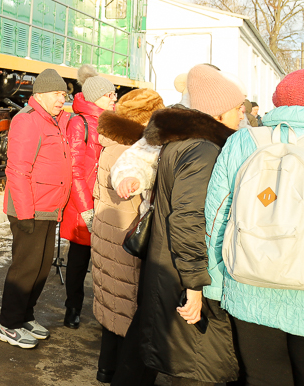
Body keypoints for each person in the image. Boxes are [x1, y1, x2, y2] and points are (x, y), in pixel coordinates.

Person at [119, 64, 243, 386]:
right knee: (193, 363)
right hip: (179, 270)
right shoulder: (203, 150)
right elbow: (188, 219)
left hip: (166, 264)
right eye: (237, 108)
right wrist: (195, 284)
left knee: (150, 341)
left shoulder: (184, 143)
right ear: (218, 112)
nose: (242, 114)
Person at [206, 69, 304, 386]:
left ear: (277, 102)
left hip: (248, 281)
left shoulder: (242, 141)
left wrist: (212, 283)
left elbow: (217, 214)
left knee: (263, 377)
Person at [0, 68, 73, 349]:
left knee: (40, 269)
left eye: (64, 94)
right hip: (30, 208)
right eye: (56, 94)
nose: (61, 99)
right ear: (39, 95)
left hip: (49, 207)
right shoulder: (28, 121)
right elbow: (17, 170)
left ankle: (25, 315)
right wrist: (26, 214)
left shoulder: (56, 121)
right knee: (25, 268)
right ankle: (8, 324)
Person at [90, 88, 164, 384]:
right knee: (127, 307)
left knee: (111, 302)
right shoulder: (135, 151)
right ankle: (122, 372)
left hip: (107, 235)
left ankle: (106, 368)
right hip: (126, 238)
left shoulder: (111, 146)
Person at [61, 65, 117, 330]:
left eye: (114, 95)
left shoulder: (112, 123)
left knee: (106, 261)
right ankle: (73, 307)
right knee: (79, 258)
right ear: (96, 97)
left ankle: (105, 309)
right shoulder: (79, 123)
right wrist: (86, 210)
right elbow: (74, 171)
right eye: (109, 95)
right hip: (85, 204)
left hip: (108, 202)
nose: (114, 99)